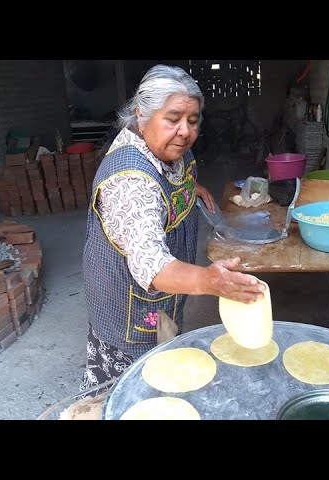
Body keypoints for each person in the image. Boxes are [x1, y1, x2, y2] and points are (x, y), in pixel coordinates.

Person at [80, 64, 265, 393]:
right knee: (127, 390)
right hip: (126, 305)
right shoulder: (130, 181)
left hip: (159, 303)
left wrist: (189, 188)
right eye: (173, 118)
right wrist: (208, 280)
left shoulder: (166, 149)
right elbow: (151, 264)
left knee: (161, 367)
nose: (185, 132)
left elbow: (172, 177)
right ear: (141, 115)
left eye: (192, 121)